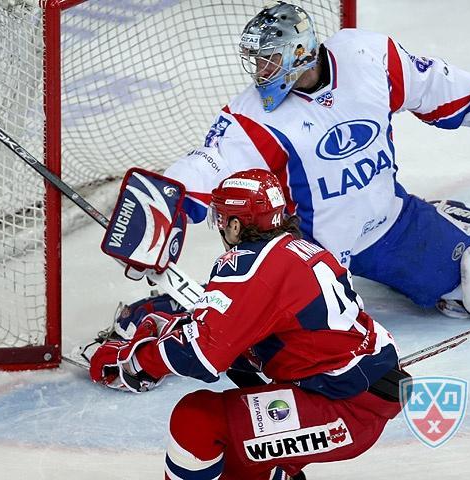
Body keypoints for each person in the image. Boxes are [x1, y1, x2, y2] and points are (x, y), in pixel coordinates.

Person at [113, 1, 470, 332]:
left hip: (390, 224)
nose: (260, 70)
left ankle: (448, 219)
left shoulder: (366, 55)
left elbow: (429, 85)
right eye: (257, 61)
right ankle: (158, 316)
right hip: (313, 257)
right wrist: (165, 203)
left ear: (299, 53)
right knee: (273, 338)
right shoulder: (254, 116)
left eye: (269, 59)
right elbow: (211, 162)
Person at [90, 169, 409, 480]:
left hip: (343, 410)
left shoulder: (251, 266)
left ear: (234, 224)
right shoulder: (302, 251)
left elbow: (202, 354)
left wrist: (134, 362)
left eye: (220, 218)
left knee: (197, 421)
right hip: (356, 393)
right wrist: (177, 330)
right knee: (235, 454)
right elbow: (245, 338)